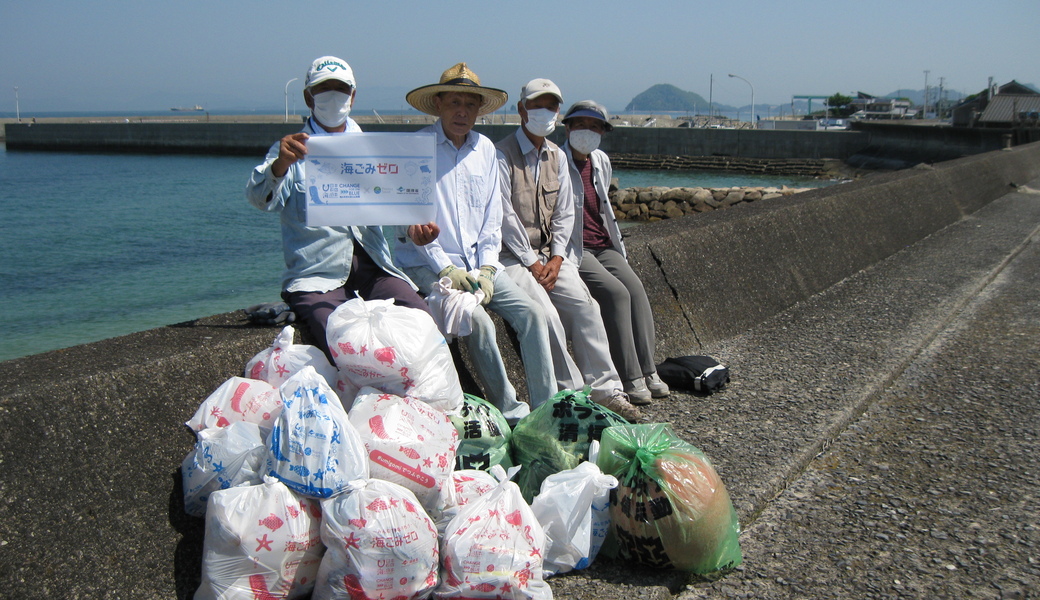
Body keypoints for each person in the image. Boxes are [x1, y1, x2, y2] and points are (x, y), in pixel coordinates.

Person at [394, 63, 562, 424]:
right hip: (430, 265)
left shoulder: (485, 149)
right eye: (454, 102)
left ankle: (546, 410)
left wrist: (487, 266)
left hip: (480, 264)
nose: (462, 111)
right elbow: (414, 221)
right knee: (479, 323)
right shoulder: (416, 148)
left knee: (532, 313)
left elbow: (492, 217)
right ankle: (512, 413)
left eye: (470, 105)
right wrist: (446, 269)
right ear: (437, 104)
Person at [245, 56, 438, 363]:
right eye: (323, 89)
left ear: (353, 95)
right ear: (309, 97)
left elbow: (393, 205)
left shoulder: (373, 148)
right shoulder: (292, 149)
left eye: (341, 89)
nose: (333, 96)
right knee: (341, 340)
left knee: (422, 319)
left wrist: (413, 229)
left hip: (374, 267)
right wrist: (281, 164)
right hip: (316, 275)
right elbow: (261, 199)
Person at [496, 79, 643, 422]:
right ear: (521, 110)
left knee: (586, 306)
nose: (543, 113)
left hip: (551, 256)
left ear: (558, 112)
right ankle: (572, 395)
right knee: (545, 315)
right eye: (536, 105)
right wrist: (533, 262)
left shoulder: (558, 156)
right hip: (512, 257)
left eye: (551, 106)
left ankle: (608, 391)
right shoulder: (501, 154)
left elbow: (565, 214)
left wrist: (558, 258)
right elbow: (502, 215)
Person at [561, 100, 670, 400]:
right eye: (581, 124)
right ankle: (630, 377)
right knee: (615, 293)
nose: (587, 132)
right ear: (568, 127)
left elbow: (602, 206)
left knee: (635, 289)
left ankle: (649, 370)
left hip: (604, 243)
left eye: (595, 127)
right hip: (574, 249)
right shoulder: (555, 161)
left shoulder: (600, 161)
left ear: (603, 133)